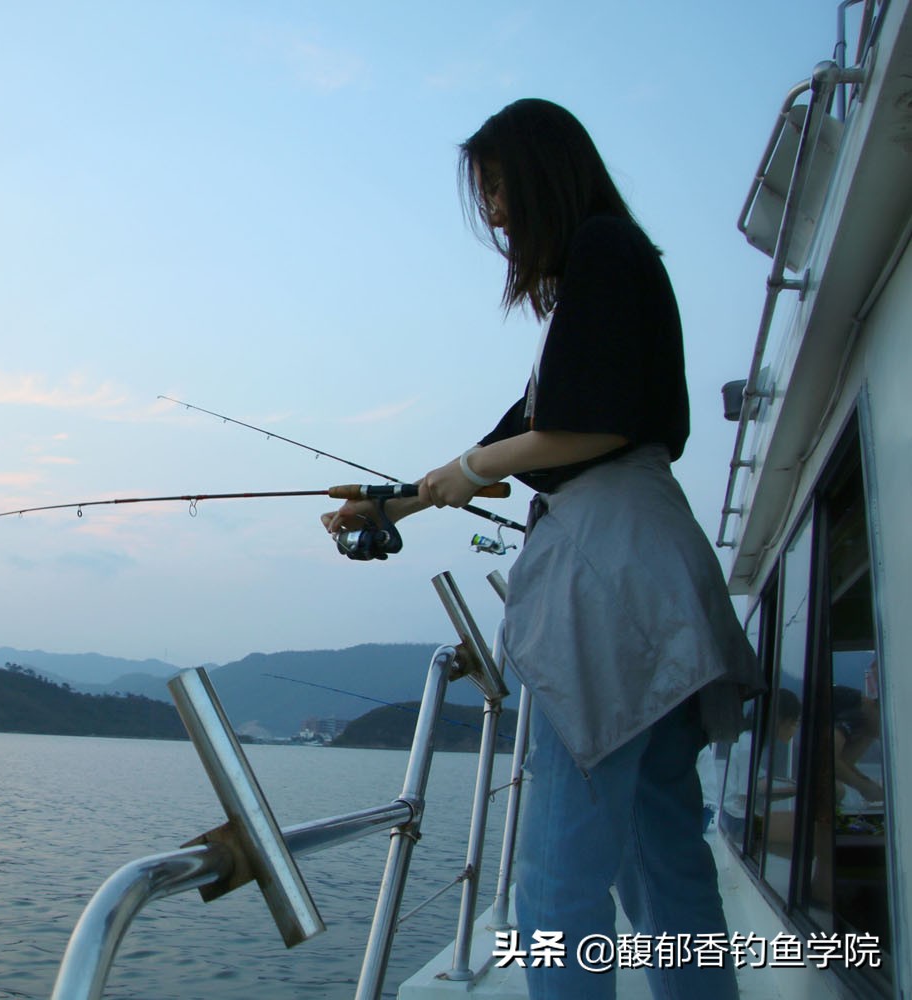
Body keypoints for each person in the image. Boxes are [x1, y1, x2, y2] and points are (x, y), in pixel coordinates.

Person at [323, 99, 764, 1000]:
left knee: (558, 884)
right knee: (665, 859)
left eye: (495, 187)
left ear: (540, 174)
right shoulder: (611, 267)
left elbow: (580, 428)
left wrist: (468, 466)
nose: (491, 211)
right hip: (655, 569)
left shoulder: (602, 251)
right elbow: (532, 427)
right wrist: (394, 499)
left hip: (610, 583)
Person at [720, 689, 800, 851]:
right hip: (739, 822)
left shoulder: (751, 742)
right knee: (808, 829)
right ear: (778, 720)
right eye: (793, 722)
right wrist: (799, 790)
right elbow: (751, 791)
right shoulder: (749, 746)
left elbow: (759, 790)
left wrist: (797, 791)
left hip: (737, 819)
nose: (795, 729)